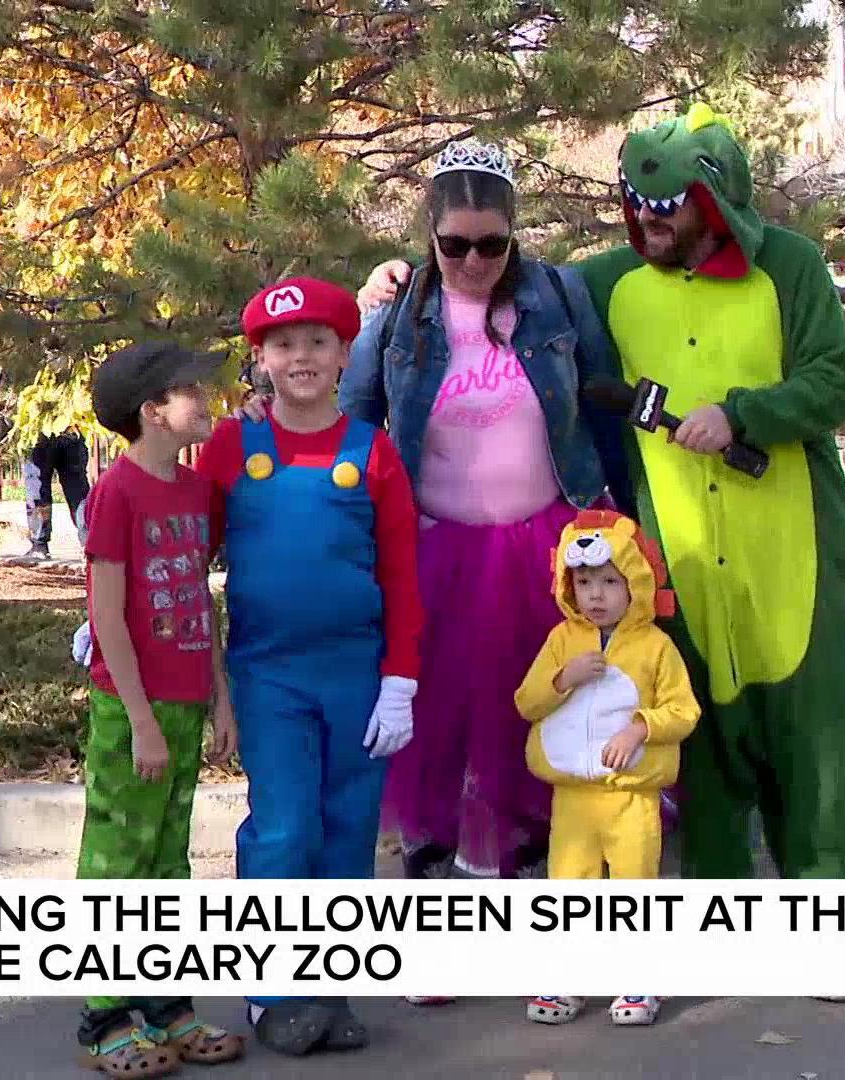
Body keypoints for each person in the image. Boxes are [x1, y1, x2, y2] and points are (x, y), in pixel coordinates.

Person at [362, 104, 845, 889]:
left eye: (491, 243)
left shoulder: (768, 269)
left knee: (798, 744)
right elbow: (374, 391)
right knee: (671, 734)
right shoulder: (467, 302)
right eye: (635, 203)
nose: (645, 220)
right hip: (552, 555)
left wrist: (736, 420)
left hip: (722, 548)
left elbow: (829, 382)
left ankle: (820, 901)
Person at [250, 139, 625, 908]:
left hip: (544, 545)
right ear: (429, 236)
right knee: (449, 716)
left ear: (515, 236)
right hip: (439, 549)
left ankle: (540, 848)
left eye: (492, 243)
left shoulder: (560, 296)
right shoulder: (397, 315)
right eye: (455, 245)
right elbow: (349, 418)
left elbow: (602, 405)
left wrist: (623, 518)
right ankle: (450, 855)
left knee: (544, 699)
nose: (474, 261)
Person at [208, 276, 425, 1054]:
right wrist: (123, 616)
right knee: (286, 828)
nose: (301, 357)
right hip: (269, 674)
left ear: (343, 354)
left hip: (357, 676)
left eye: (317, 343)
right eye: (283, 344)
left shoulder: (374, 452)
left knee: (346, 831)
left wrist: (400, 680)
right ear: (261, 359)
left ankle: (327, 989)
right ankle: (273, 994)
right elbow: (182, 540)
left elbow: (401, 573)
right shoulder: (233, 447)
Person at [73, 341, 245, 1077]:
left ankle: (166, 1004)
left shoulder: (193, 490)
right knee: (118, 858)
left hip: (183, 699)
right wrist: (140, 719)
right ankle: (102, 1017)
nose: (206, 402)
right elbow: (107, 616)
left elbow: (197, 601)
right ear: (152, 412)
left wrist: (220, 697)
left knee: (169, 862)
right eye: (191, 392)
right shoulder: (118, 493)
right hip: (130, 709)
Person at [515, 509, 699, 1028]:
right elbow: (525, 703)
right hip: (573, 796)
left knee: (634, 883)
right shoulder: (560, 643)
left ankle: (640, 977)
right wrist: (562, 679)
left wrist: (640, 726)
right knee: (567, 884)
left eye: (610, 582)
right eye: (585, 581)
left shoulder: (656, 647)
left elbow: (683, 711)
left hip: (631, 798)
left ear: (634, 583)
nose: (596, 594)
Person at [24, 428, 92, 559]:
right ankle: (90, 544)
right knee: (78, 490)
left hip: (39, 432)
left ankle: (39, 545)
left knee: (37, 490)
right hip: (72, 431)